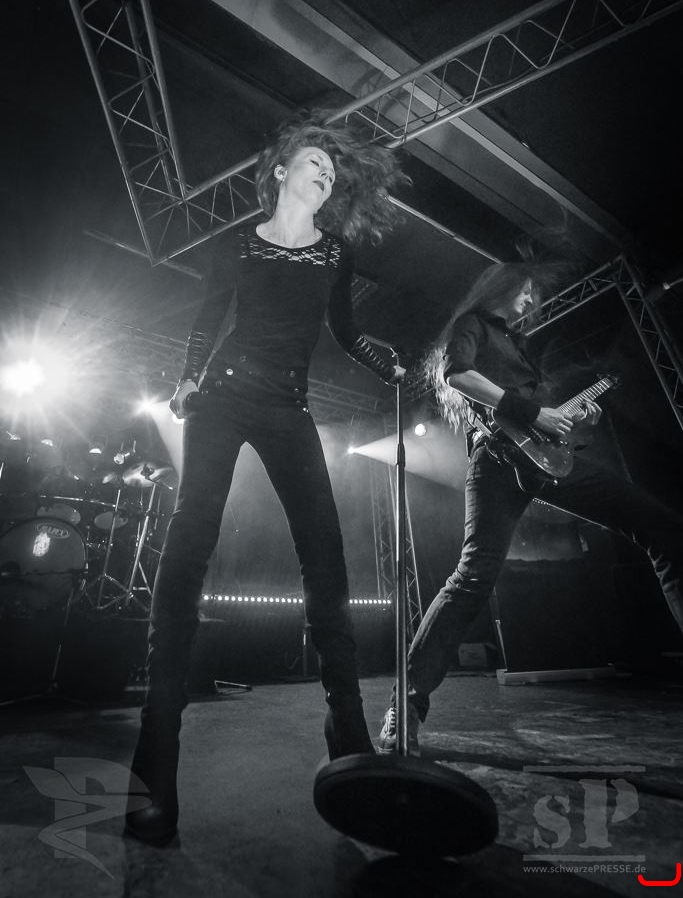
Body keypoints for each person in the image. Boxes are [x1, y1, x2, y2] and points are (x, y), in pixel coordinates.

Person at [125, 112, 408, 845]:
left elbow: (344, 332)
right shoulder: (238, 244)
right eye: (314, 162)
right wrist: (189, 377)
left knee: (327, 556)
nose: (326, 174)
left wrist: (387, 362)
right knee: (189, 545)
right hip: (223, 396)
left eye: (332, 172)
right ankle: (154, 767)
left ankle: (348, 735)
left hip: (288, 406)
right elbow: (206, 318)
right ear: (280, 171)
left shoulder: (335, 253)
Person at [378, 262, 683, 754]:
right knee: (473, 577)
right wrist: (535, 413)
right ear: (502, 285)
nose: (530, 299)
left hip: (546, 459)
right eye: (525, 289)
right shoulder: (473, 325)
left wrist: (575, 423)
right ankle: (406, 704)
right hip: (496, 459)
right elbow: (458, 375)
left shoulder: (517, 345)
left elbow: (543, 420)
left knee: (662, 529)